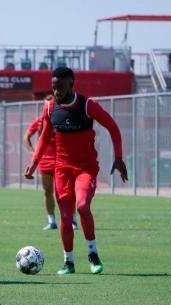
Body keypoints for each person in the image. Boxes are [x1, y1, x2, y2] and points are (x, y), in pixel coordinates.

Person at [24, 67, 128, 275]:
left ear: (71, 84)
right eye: (54, 87)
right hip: (62, 169)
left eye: (61, 87)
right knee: (64, 215)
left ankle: (93, 253)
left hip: (85, 168)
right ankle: (68, 262)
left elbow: (113, 127)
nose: (57, 92)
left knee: (81, 206)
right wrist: (34, 163)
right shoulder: (49, 107)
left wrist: (118, 157)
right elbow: (44, 138)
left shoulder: (88, 105)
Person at [23, 94, 78, 231]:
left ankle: (72, 220)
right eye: (46, 104)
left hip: (62, 160)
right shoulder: (40, 120)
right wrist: (33, 152)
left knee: (66, 192)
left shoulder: (62, 118)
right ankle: (51, 221)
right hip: (45, 161)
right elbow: (26, 137)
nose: (49, 106)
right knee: (47, 191)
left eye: (51, 104)